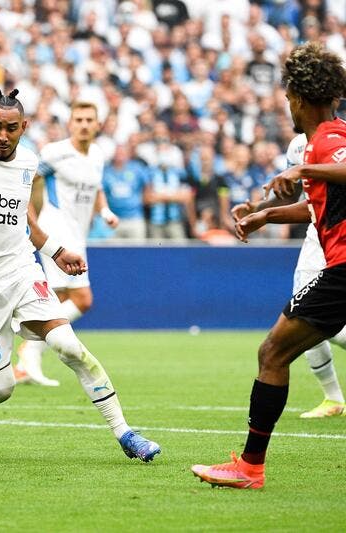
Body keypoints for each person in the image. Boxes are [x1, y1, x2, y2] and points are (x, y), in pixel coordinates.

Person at [0, 88, 161, 461]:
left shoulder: (28, 162)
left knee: (71, 348)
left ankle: (126, 434)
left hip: (21, 271)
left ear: (24, 127)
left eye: (11, 128)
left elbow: (24, 218)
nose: (2, 136)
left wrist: (56, 252)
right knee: (0, 387)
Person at [192, 42, 346, 489]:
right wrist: (266, 214)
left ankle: (249, 467)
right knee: (276, 352)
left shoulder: (329, 139)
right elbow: (317, 208)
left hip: (342, 269)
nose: (288, 108)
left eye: (287, 99)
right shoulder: (329, 139)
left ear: (298, 97)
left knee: (273, 353)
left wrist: (302, 173)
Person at [231, 133, 346, 418]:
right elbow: (294, 195)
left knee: (305, 319)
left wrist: (267, 215)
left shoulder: (337, 139)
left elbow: (316, 205)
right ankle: (332, 398)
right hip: (317, 238)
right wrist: (258, 209)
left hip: (339, 236)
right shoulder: (297, 146)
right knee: (302, 311)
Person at [14, 101, 119, 387]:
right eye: (79, 119)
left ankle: (24, 365)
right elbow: (27, 181)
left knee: (58, 300)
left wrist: (105, 211)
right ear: (70, 124)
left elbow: (96, 188)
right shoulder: (55, 153)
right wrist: (31, 221)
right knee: (83, 299)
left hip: (77, 233)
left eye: (89, 119)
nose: (84, 124)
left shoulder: (97, 155)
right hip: (56, 230)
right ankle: (30, 349)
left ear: (98, 124)